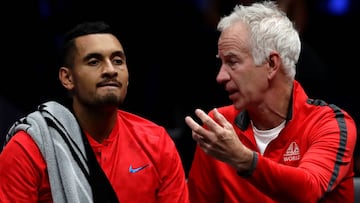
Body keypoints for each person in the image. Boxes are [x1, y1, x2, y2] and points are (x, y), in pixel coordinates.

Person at [184, 1, 357, 203]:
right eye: (221, 63)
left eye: (232, 62)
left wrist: (243, 159)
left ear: (272, 64)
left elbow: (309, 189)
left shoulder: (330, 124)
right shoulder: (218, 126)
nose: (220, 77)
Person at [0, 21, 189, 203]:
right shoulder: (31, 147)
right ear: (67, 78)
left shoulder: (156, 141)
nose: (110, 70)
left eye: (117, 61)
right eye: (93, 62)